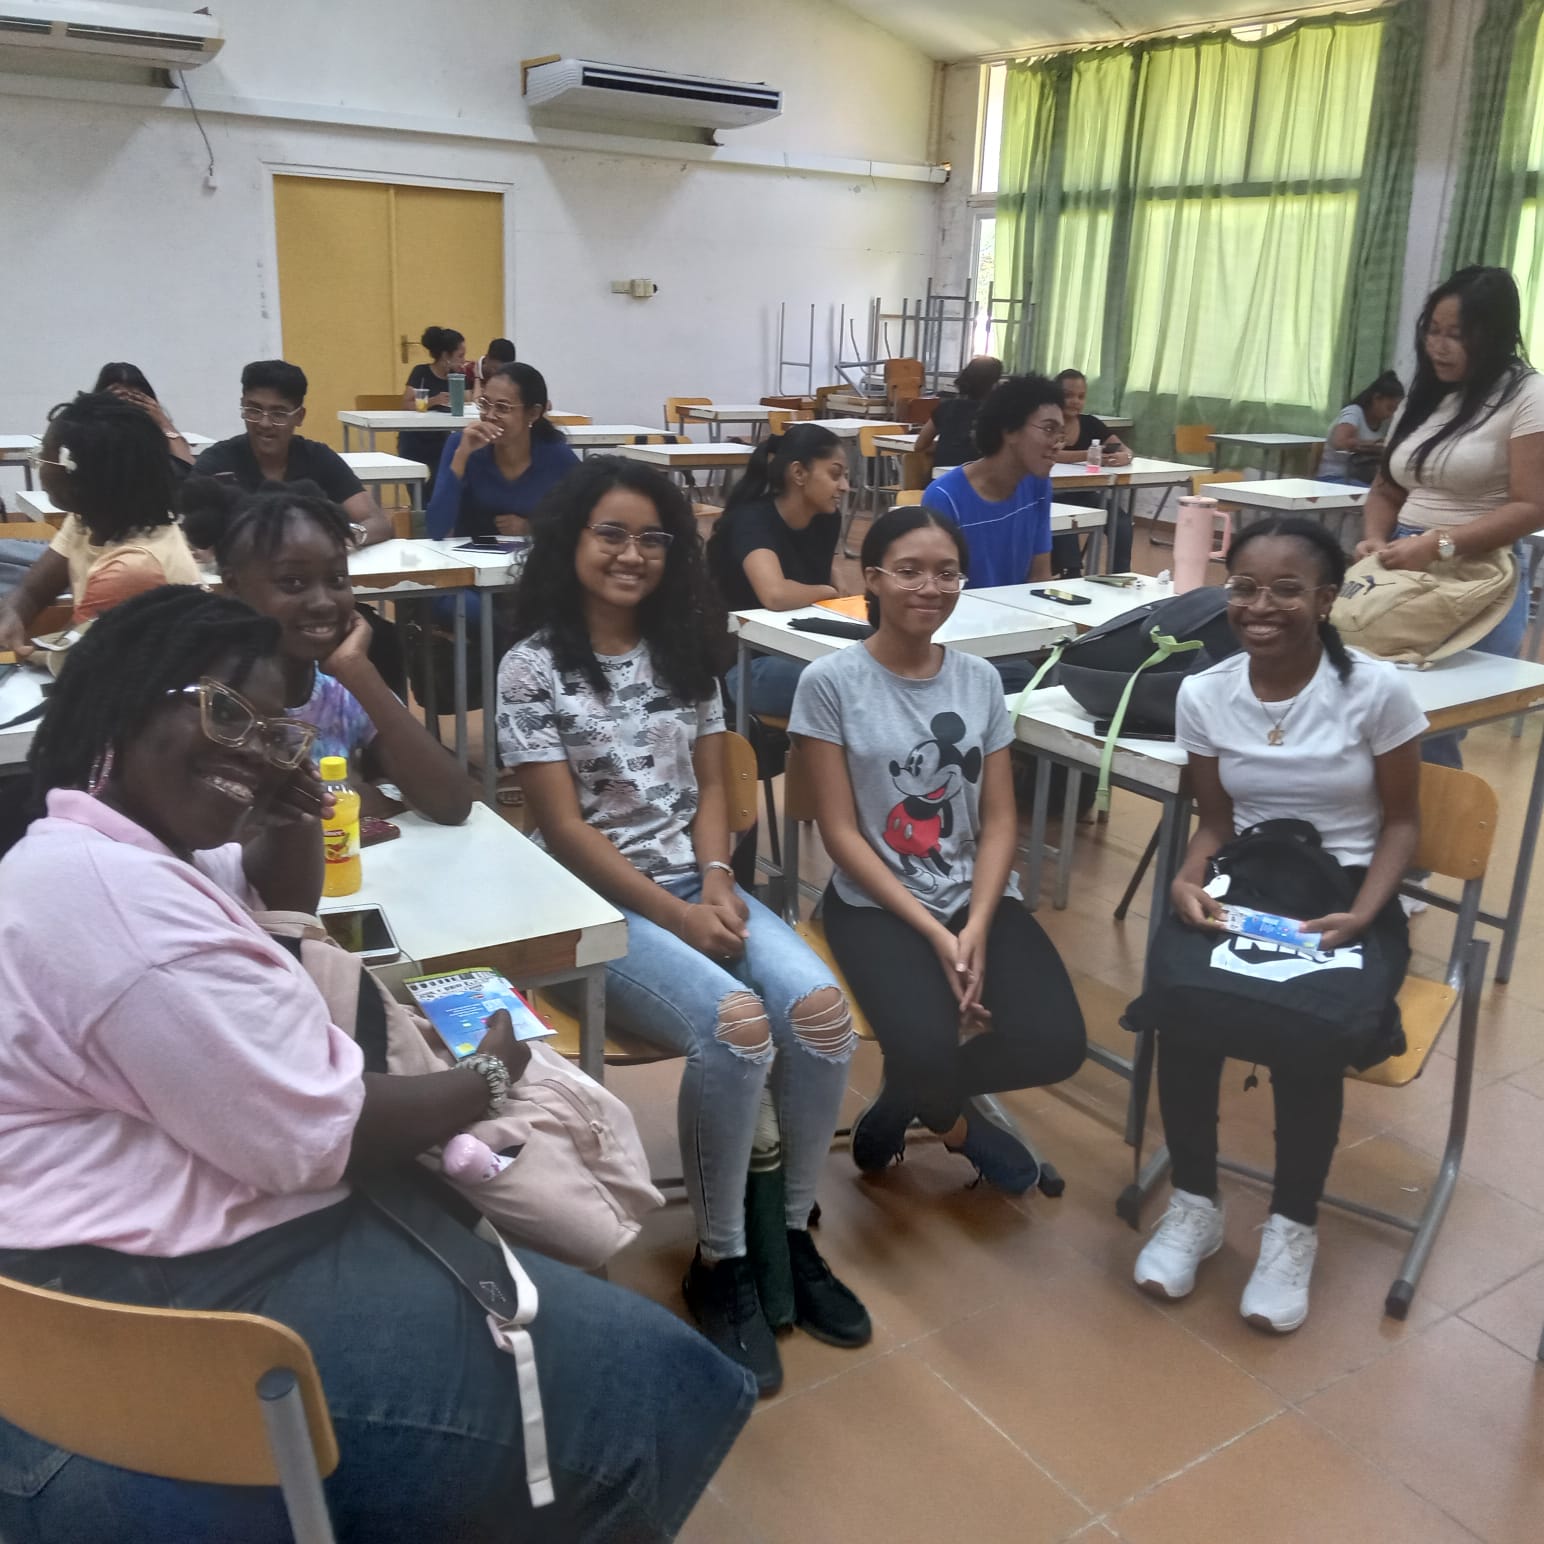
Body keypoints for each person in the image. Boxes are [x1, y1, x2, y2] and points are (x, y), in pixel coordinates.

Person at [0, 586, 755, 1542]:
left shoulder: (112, 852)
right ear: (129, 694)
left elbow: (273, 920)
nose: (251, 752)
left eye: (274, 735)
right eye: (223, 712)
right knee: (657, 1383)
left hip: (157, 1233)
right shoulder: (122, 909)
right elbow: (322, 1137)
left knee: (578, 1318)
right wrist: (490, 1072)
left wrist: (290, 827)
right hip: (174, 1294)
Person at [497, 457, 870, 1397]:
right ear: (572, 541)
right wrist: (677, 913)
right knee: (737, 1029)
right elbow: (565, 830)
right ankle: (722, 1259)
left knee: (820, 1015)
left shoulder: (683, 649)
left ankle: (792, 1235)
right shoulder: (532, 666)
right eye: (611, 534)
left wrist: (714, 879)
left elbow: (711, 785)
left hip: (694, 884)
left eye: (653, 538)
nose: (632, 554)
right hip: (589, 907)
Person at [1134, 517, 1425, 1333]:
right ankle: (1196, 1204)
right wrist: (1187, 880)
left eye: (1287, 590)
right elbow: (1215, 821)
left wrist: (1365, 913)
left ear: (1326, 599)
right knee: (1180, 1000)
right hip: (1248, 881)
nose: (1260, 607)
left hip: (1346, 892)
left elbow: (1404, 824)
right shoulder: (1205, 692)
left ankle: (1293, 1227)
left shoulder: (1376, 691)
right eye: (1244, 588)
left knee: (1309, 1029)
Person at [789, 506, 1086, 1193]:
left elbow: (1001, 821)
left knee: (1058, 1045)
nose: (930, 587)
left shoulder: (979, 679)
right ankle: (956, 1125)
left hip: (973, 895)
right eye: (909, 571)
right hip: (875, 904)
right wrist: (934, 933)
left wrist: (975, 925)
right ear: (873, 579)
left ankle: (914, 1094)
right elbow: (840, 832)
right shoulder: (829, 683)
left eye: (947, 573)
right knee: (923, 1043)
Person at [182, 478, 472, 825]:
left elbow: (453, 803)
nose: (323, 602)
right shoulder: (210, 702)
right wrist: (362, 799)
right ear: (233, 586)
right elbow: (225, 829)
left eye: (336, 580)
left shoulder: (340, 688)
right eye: (293, 582)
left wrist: (357, 671)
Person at [1355, 267, 1544, 766]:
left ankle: (1424, 817)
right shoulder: (1427, 394)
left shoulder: (1528, 395)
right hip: (1402, 560)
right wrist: (1375, 538)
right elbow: (1386, 488)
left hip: (1475, 573)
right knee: (1372, 713)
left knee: (1428, 728)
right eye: (1432, 331)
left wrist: (1439, 544)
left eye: (1456, 335)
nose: (1439, 347)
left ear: (1493, 335)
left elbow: (1533, 506)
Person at [0, 393, 201, 655]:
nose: (40, 469)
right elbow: (32, 591)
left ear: (75, 471)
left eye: (41, 457)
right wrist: (14, 611)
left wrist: (27, 651)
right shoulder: (91, 517)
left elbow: (66, 658)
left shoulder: (133, 567)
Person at [707, 423, 850, 718]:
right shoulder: (752, 520)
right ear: (798, 473)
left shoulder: (826, 518)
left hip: (800, 646)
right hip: (746, 664)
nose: (845, 486)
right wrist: (828, 592)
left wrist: (831, 588)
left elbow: (827, 579)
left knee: (870, 667)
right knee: (842, 681)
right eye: (835, 474)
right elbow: (775, 594)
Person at [194, 361, 393, 546]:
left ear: (299, 416)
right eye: (254, 410)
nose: (265, 423)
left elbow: (378, 522)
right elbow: (188, 527)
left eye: (278, 414)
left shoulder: (318, 458)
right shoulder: (218, 462)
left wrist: (348, 536)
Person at [921, 374, 1059, 591]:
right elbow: (937, 591)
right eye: (1049, 429)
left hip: (1019, 610)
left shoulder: (1038, 485)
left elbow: (1040, 577)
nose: (1057, 444)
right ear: (1010, 430)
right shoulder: (946, 497)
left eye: (1061, 434)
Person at [426, 362, 580, 541]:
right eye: (485, 404)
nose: (490, 415)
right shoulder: (461, 444)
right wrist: (462, 455)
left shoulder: (556, 456)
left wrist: (530, 527)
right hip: (468, 557)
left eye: (502, 407)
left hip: (534, 556)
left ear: (533, 413)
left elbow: (583, 521)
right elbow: (436, 529)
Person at [1049, 368, 1133, 576]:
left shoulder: (1091, 423)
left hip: (1083, 494)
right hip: (1051, 494)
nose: (1075, 401)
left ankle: (1120, 575)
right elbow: (1050, 453)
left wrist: (1125, 457)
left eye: (1081, 396)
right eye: (1068, 395)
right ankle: (1071, 575)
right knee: (1067, 519)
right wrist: (1089, 454)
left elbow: (1125, 449)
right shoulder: (1047, 423)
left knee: (1121, 522)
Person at [91, 362, 194, 468]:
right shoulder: (92, 434)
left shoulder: (155, 437)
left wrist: (164, 423)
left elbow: (189, 468)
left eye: (135, 401)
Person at [400, 325, 467, 482]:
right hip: (416, 440)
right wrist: (433, 401)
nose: (463, 361)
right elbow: (406, 404)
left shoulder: (456, 377)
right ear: (446, 356)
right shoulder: (421, 373)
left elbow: (469, 400)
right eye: (460, 356)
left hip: (442, 440)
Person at [914, 356, 1003, 469]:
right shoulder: (995, 413)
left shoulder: (946, 408)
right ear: (994, 385)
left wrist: (945, 447)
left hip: (942, 478)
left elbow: (920, 445)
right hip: (977, 477)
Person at [1317, 370, 1404, 483]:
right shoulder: (1353, 413)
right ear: (1376, 398)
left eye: (1395, 410)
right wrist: (1373, 445)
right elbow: (1340, 442)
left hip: (1362, 476)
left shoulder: (1385, 422)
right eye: (1389, 408)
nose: (1391, 414)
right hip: (1334, 476)